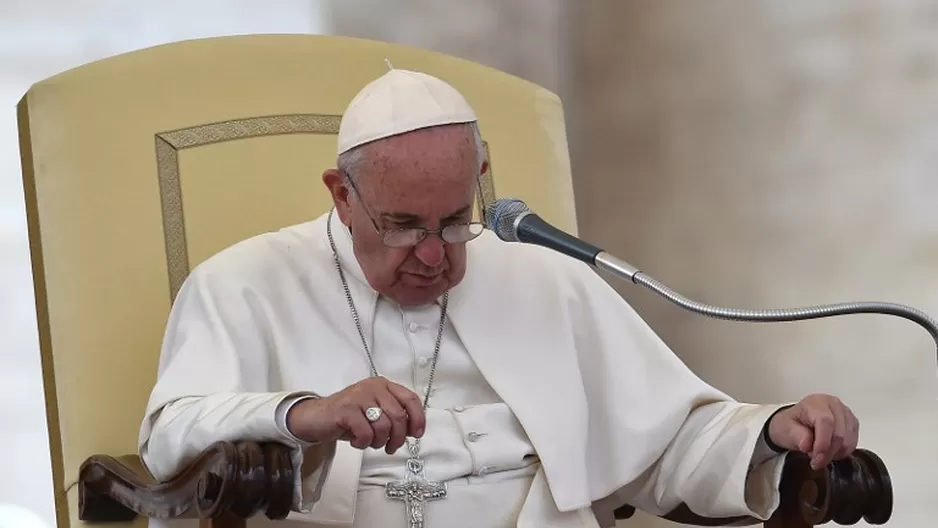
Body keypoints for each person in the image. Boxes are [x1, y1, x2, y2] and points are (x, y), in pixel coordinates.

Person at [138, 68, 860, 528]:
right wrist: (305, 413)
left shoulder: (545, 277)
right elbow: (170, 435)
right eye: (402, 226)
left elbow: (668, 442)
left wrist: (773, 431)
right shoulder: (244, 283)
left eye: (455, 220)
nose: (433, 254)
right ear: (341, 195)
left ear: (481, 175)